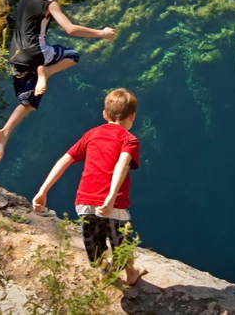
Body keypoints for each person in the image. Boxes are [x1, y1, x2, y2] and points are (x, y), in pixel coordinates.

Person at [0, 0, 116, 161]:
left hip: (16, 54)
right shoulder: (50, 1)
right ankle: (45, 73)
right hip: (37, 53)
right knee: (72, 56)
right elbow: (70, 29)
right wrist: (102, 33)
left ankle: (5, 131)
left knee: (29, 100)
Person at [32, 88, 148, 285]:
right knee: (122, 241)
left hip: (84, 201)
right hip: (113, 205)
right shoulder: (130, 140)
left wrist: (42, 191)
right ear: (133, 116)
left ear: (105, 114)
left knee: (95, 245)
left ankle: (104, 271)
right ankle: (130, 273)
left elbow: (64, 160)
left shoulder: (91, 134)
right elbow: (122, 165)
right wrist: (111, 198)